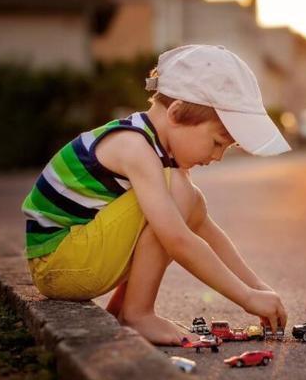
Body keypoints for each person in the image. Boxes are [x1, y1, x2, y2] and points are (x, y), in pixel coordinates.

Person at [21, 44, 290, 345]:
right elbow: (177, 240)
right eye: (217, 143)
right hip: (60, 264)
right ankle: (138, 314)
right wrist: (246, 298)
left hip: (74, 260)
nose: (217, 157)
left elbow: (205, 230)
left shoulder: (152, 149)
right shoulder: (133, 146)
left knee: (190, 200)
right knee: (179, 194)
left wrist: (259, 289)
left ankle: (127, 309)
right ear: (176, 113)